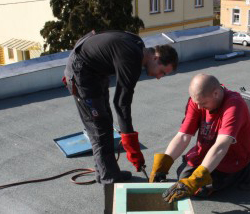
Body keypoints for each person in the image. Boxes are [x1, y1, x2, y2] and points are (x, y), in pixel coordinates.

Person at [64, 30, 178, 184]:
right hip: (81, 72)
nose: (159, 77)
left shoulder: (138, 46)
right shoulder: (132, 57)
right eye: (162, 72)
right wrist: (130, 142)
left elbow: (120, 103)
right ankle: (109, 179)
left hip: (96, 72)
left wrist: (128, 137)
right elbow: (121, 103)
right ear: (156, 58)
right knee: (99, 127)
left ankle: (107, 170)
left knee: (105, 121)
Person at [149, 74, 250, 203]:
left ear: (216, 93)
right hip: (207, 150)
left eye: (203, 103)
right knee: (182, 179)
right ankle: (215, 176)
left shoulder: (234, 105)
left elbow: (221, 146)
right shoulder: (197, 101)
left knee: (201, 189)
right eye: (196, 103)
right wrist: (163, 165)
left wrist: (196, 180)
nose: (199, 108)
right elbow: (184, 136)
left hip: (230, 156)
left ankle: (248, 170)